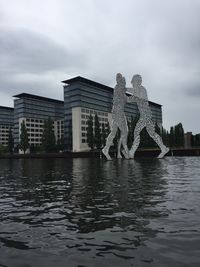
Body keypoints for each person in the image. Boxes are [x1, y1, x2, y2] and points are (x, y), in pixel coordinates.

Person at [128, 74, 169, 159]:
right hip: (146, 115)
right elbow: (130, 99)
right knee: (152, 133)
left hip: (146, 115)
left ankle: (131, 152)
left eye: (135, 81)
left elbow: (135, 94)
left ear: (137, 81)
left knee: (137, 132)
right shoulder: (137, 92)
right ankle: (163, 148)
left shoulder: (141, 89)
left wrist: (124, 89)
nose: (133, 83)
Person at [102, 73, 130, 160]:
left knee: (118, 132)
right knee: (122, 132)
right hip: (117, 113)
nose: (124, 84)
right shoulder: (117, 88)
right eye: (123, 81)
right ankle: (122, 150)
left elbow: (128, 99)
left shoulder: (122, 91)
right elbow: (122, 93)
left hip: (121, 113)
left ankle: (109, 150)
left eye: (124, 82)